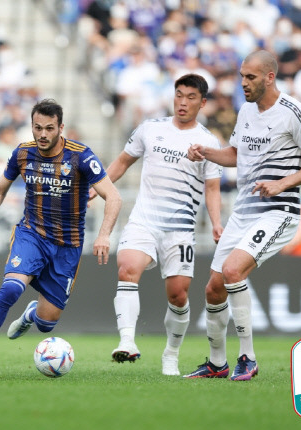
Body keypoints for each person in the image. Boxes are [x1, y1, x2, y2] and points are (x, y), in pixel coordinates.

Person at [184, 50, 301, 381]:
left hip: (279, 211)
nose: (243, 83)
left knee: (234, 270)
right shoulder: (247, 112)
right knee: (213, 288)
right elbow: (235, 156)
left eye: (250, 77)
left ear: (269, 77)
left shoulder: (296, 113)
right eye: (241, 76)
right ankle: (217, 363)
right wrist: (205, 151)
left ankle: (247, 358)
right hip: (244, 211)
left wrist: (284, 183)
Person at [0, 99, 122, 378]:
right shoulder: (23, 153)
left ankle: (33, 314)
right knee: (10, 290)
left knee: (47, 323)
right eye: (37, 128)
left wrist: (104, 234)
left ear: (60, 127)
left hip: (67, 246)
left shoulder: (81, 156)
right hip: (32, 234)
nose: (42, 134)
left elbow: (113, 196)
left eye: (49, 128)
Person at [91, 74, 223, 376]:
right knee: (127, 267)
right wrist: (99, 187)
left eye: (191, 97)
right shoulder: (150, 130)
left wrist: (216, 223)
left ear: (202, 103)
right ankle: (127, 341)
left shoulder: (209, 142)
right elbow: (123, 162)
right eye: (179, 95)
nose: (183, 102)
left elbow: (212, 188)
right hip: (144, 219)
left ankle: (171, 354)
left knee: (178, 295)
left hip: (180, 229)